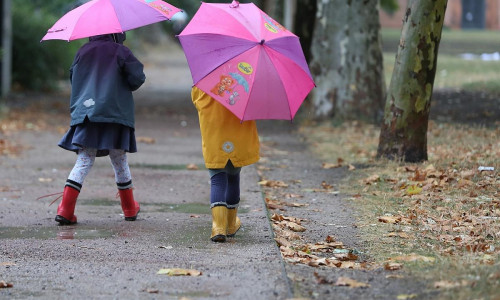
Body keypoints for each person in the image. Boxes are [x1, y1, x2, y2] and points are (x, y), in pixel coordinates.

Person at [55, 32, 146, 225]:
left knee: (85, 159)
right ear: (116, 33)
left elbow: (74, 79)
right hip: (115, 113)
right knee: (119, 159)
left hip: (88, 113)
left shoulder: (82, 52)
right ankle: (129, 207)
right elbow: (137, 79)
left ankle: (65, 209)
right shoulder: (121, 52)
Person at [191, 86, 260, 242]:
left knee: (217, 179)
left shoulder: (204, 84)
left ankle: (218, 227)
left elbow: (196, 100)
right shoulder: (246, 85)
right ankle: (230, 225)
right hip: (238, 137)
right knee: (233, 177)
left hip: (214, 138)